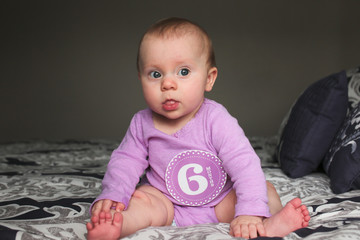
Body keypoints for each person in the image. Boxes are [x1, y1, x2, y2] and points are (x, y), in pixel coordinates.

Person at [86, 17, 310, 239]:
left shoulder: (216, 119)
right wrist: (114, 193)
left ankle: (268, 224)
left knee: (264, 191)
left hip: (220, 202)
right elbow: (126, 161)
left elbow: (244, 164)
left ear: (208, 79)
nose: (167, 84)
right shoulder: (142, 122)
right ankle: (118, 224)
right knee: (141, 200)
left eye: (183, 72)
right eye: (155, 74)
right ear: (140, 78)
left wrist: (249, 211)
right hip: (166, 202)